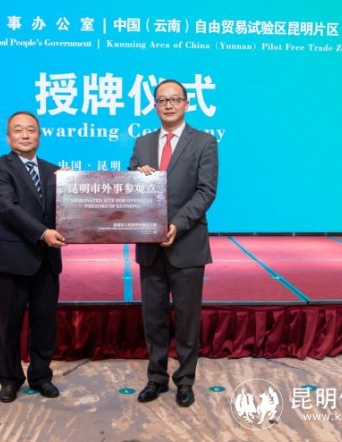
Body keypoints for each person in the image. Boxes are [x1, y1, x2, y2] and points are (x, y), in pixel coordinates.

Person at [129, 79, 218, 407]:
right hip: (149, 246)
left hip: (187, 244)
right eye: (162, 100)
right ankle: (156, 378)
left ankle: (185, 380)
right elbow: (129, 187)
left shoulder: (204, 142)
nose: (168, 105)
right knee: (153, 318)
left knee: (187, 319)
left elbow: (206, 192)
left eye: (175, 99)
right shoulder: (142, 143)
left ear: (186, 104)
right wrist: (138, 176)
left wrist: (177, 225)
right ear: (154, 106)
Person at [0, 111, 67, 403]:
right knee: (10, 324)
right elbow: (8, 208)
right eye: (18, 130)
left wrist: (77, 190)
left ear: (39, 136)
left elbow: (67, 209)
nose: (25, 135)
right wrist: (43, 233)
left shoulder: (54, 171)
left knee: (44, 323)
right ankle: (9, 379)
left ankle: (41, 376)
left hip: (47, 260)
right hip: (13, 259)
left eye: (31, 130)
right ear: (9, 137)